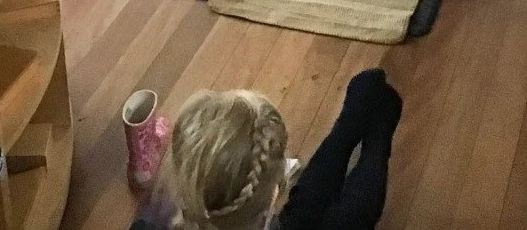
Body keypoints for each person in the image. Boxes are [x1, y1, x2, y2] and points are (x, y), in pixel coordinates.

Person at [133, 69, 403, 230]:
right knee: (342, 220)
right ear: (274, 192)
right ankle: (374, 133)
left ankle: (356, 121)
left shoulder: (149, 222)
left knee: (306, 214)